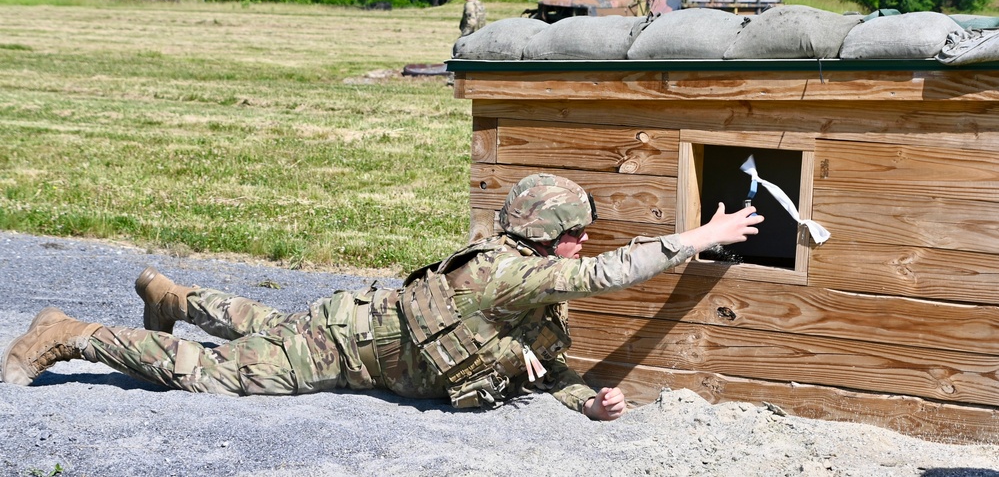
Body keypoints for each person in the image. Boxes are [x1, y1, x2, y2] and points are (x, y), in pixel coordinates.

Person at [1, 173, 762, 421]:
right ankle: (71, 332)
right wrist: (695, 238)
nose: (582, 248)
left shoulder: (528, 291)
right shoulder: (507, 274)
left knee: (265, 322)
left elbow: (536, 364)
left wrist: (584, 400)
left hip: (358, 321)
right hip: (350, 349)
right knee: (224, 374)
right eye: (573, 237)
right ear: (541, 240)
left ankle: (173, 296)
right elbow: (603, 275)